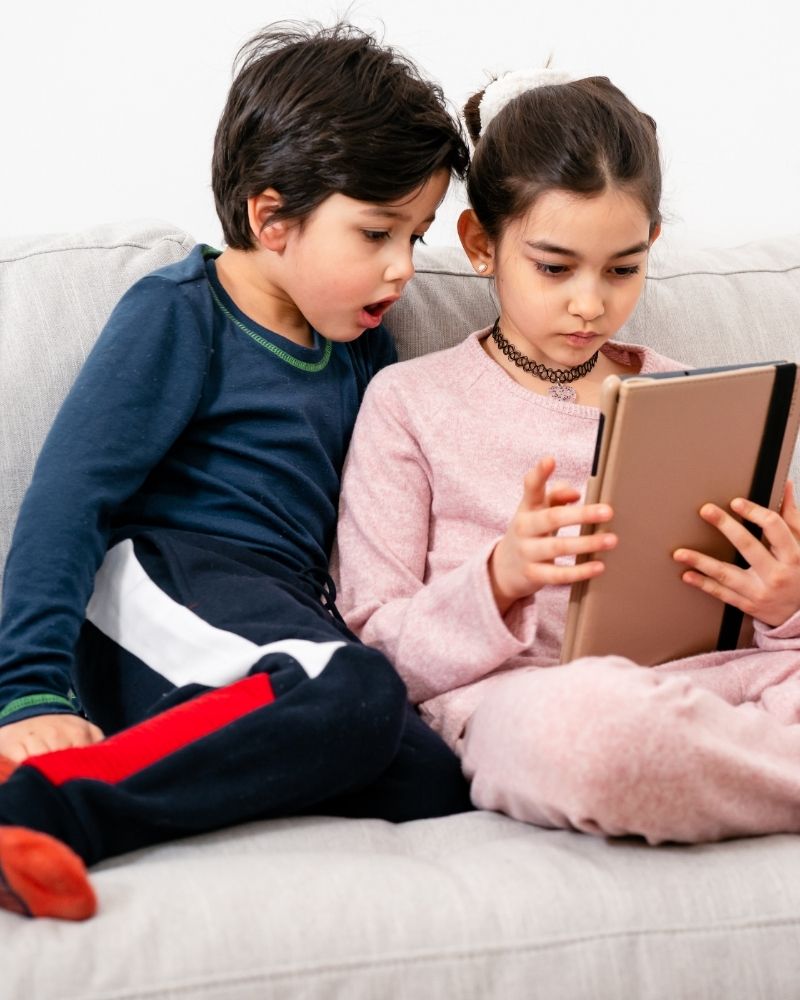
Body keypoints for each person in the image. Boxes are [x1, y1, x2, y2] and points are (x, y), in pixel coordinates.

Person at [0, 21, 475, 921]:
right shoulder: (185, 315)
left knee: (432, 777)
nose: (403, 269)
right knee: (354, 691)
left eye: (415, 237)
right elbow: (68, 496)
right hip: (159, 582)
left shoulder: (366, 351)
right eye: (376, 233)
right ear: (270, 217)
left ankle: (165, 756)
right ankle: (44, 805)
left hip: (276, 614)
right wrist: (29, 688)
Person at [334, 66, 800, 847]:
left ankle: (703, 770)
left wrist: (784, 603)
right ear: (483, 244)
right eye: (555, 268)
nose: (591, 302)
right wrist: (501, 576)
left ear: (651, 245)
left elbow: (775, 635)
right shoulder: (408, 403)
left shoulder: (695, 397)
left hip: (719, 689)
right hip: (533, 702)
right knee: (594, 740)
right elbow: (374, 648)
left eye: (622, 269)